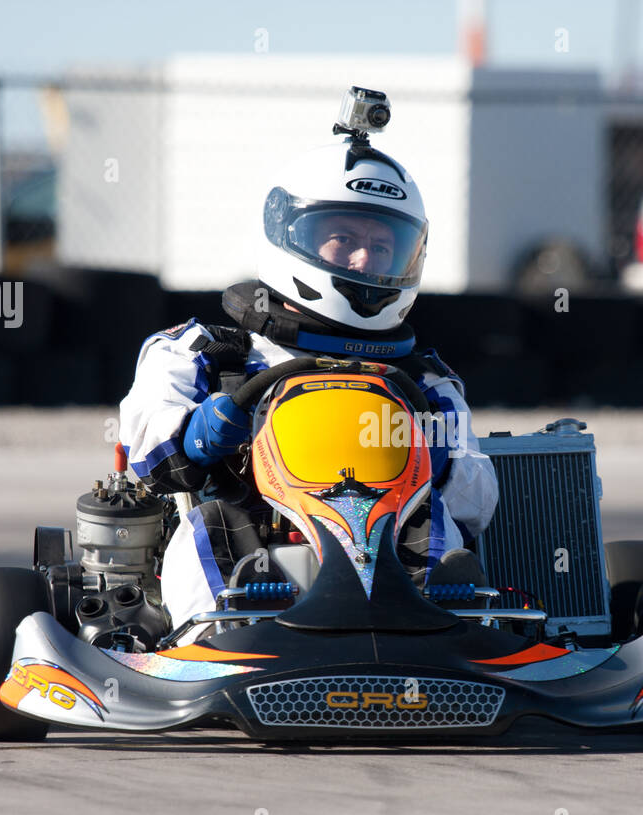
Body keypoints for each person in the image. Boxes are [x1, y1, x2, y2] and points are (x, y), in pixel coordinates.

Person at [119, 121, 498, 627]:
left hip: (389, 531)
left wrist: (440, 453)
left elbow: (477, 505)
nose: (366, 258)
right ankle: (224, 638)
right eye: (344, 239)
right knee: (212, 525)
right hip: (257, 531)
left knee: (437, 525)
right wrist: (197, 435)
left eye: (383, 246)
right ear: (290, 235)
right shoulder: (208, 352)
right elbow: (145, 450)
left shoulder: (425, 381)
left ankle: (442, 637)